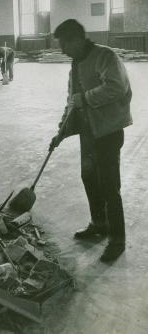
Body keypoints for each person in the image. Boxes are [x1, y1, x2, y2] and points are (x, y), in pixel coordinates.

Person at [50, 19, 132, 263]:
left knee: (109, 186)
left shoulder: (105, 56)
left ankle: (117, 240)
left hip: (108, 131)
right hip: (88, 133)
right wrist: (62, 130)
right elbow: (72, 101)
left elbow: (117, 87)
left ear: (77, 40)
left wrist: (85, 98)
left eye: (64, 43)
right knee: (88, 178)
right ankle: (100, 224)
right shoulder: (75, 64)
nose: (62, 49)